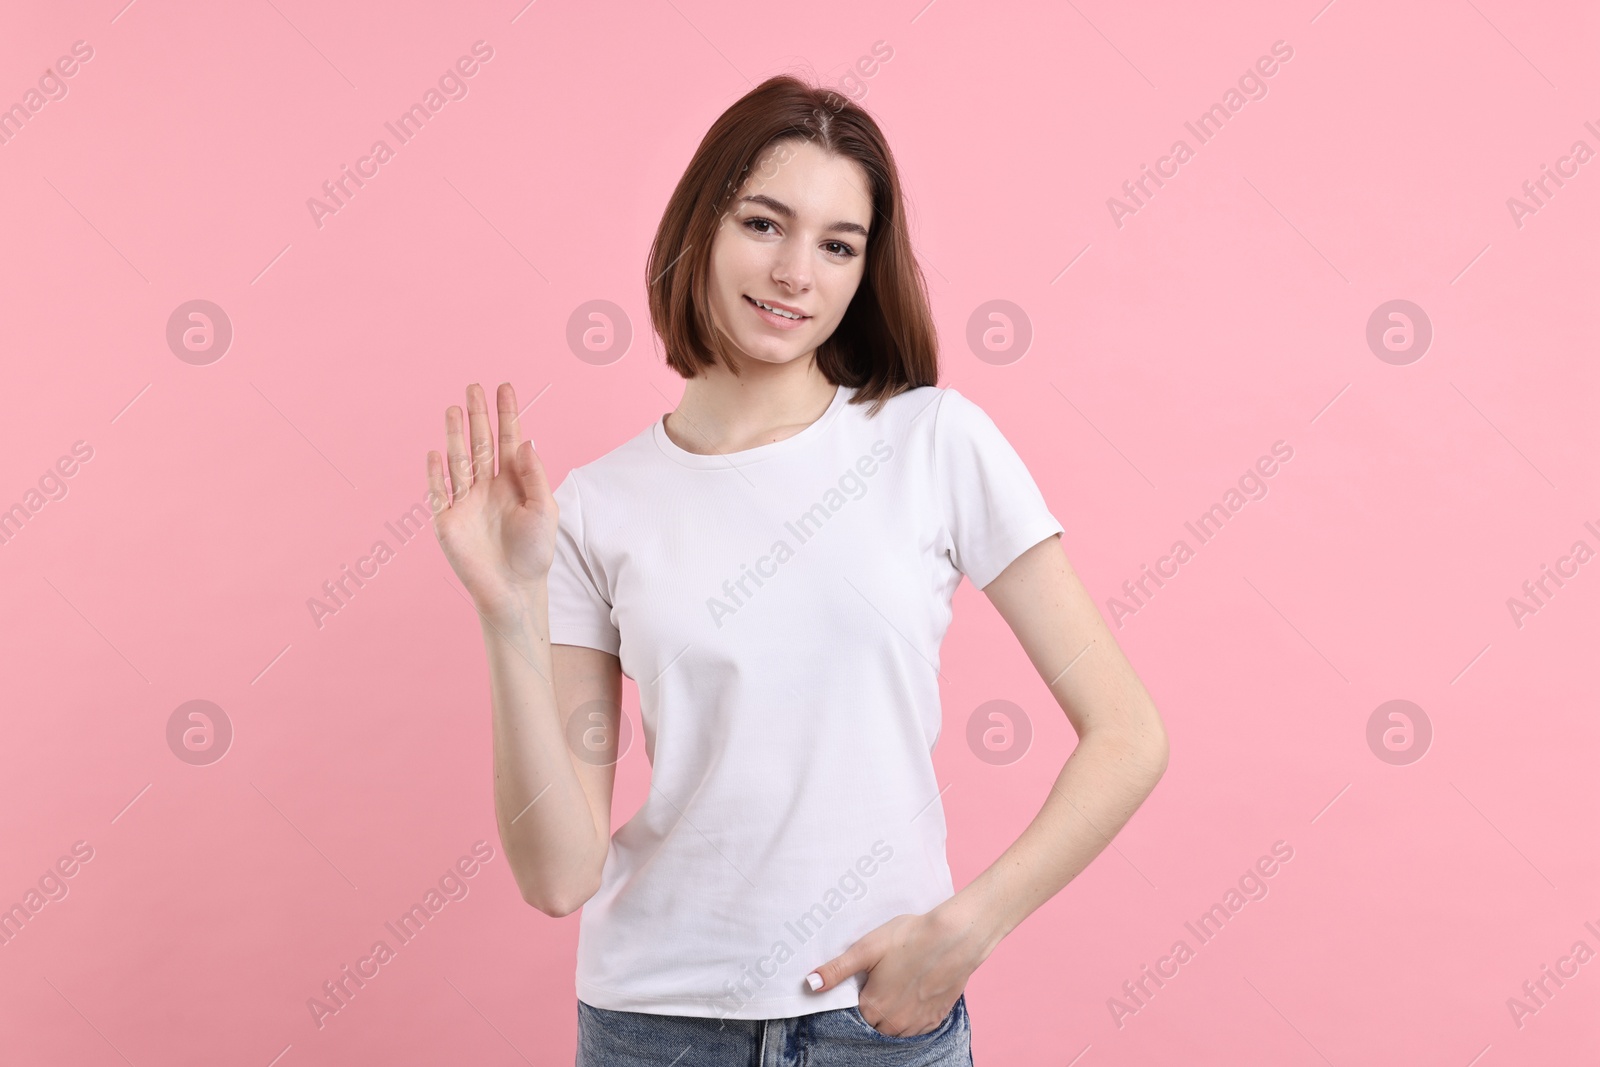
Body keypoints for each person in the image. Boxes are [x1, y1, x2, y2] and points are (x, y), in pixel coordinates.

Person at [426, 74, 1169, 1066]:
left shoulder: (932, 441)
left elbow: (1128, 733)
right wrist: (505, 607)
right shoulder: (593, 508)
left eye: (836, 244)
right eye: (764, 224)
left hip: (882, 1023)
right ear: (701, 227)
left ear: (866, 270)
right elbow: (559, 873)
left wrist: (967, 927)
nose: (794, 273)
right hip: (655, 1026)